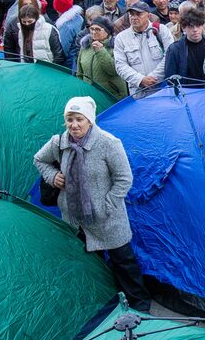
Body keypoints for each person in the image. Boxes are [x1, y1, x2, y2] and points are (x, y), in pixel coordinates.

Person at [34, 96, 150, 311]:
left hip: (108, 218)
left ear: (90, 120)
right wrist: (52, 176)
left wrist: (107, 205)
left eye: (79, 119)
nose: (74, 125)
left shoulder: (108, 143)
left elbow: (124, 179)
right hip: (77, 220)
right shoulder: (59, 143)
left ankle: (140, 307)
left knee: (124, 263)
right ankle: (103, 306)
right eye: (69, 119)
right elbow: (39, 160)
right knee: (91, 266)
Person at [113, 1, 171, 91]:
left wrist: (153, 77)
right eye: (131, 14)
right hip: (138, 91)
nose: (134, 17)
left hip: (162, 87)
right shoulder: (121, 38)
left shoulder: (161, 30)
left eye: (139, 14)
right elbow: (120, 65)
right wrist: (140, 80)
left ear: (148, 16)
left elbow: (169, 56)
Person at [75, 17, 129, 102]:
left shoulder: (116, 46)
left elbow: (113, 70)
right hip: (89, 95)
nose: (93, 32)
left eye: (97, 29)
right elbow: (79, 73)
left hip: (111, 95)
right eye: (91, 29)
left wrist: (101, 51)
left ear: (107, 32)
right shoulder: (85, 46)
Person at [2, 0, 66, 65]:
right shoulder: (20, 31)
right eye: (24, 22)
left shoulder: (49, 29)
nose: (27, 24)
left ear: (36, 18)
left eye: (30, 21)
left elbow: (59, 55)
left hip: (47, 70)